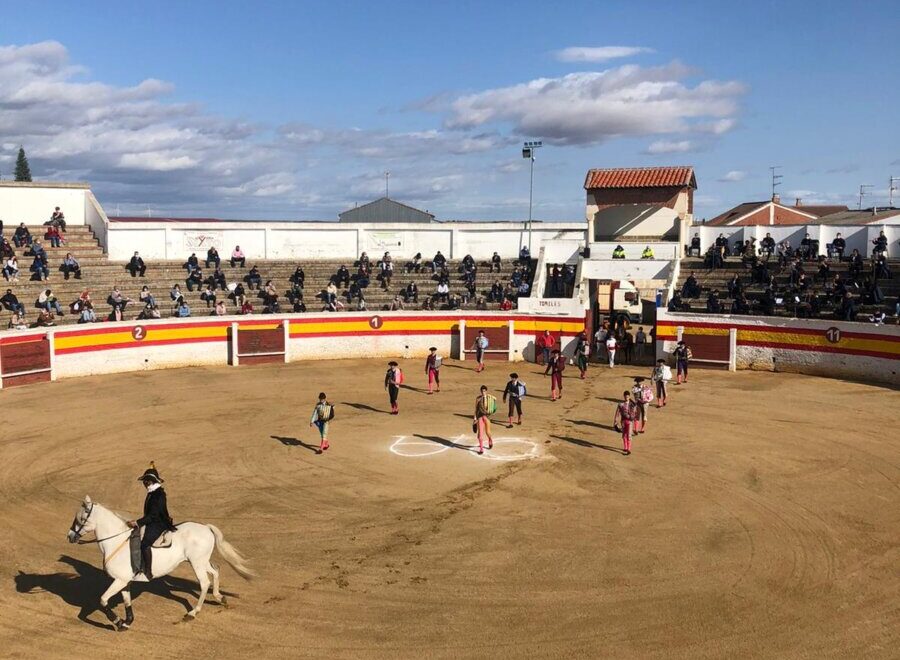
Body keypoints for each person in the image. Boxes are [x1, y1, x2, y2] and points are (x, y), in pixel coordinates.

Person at [126, 463, 176, 580]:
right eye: (144, 481)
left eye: (146, 481)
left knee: (145, 544)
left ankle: (148, 573)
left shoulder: (158, 494)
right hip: (153, 521)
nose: (144, 483)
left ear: (152, 481)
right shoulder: (153, 493)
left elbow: (153, 515)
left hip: (159, 523)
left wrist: (138, 522)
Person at [613, 391, 637, 456]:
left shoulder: (632, 404)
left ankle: (628, 449)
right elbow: (617, 413)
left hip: (630, 422)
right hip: (623, 421)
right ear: (624, 397)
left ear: (629, 397)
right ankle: (625, 447)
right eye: (625, 397)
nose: (626, 398)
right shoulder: (621, 404)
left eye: (627, 397)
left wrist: (634, 419)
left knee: (629, 435)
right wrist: (615, 421)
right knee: (624, 435)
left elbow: (635, 413)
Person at [473, 385, 494, 455]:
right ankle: (481, 449)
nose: (483, 392)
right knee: (480, 434)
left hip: (487, 417)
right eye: (482, 391)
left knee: (488, 432)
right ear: (481, 391)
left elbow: (492, 408)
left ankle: (490, 439)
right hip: (480, 417)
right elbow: (476, 409)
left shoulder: (490, 398)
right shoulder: (478, 398)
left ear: (486, 391)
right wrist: (475, 418)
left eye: (484, 391)